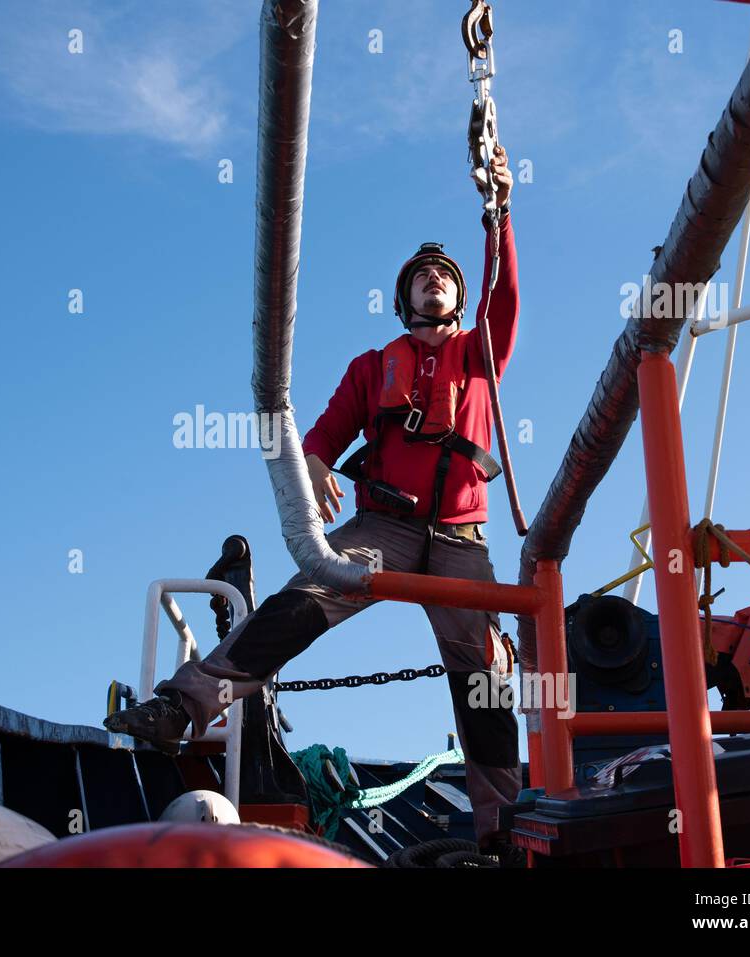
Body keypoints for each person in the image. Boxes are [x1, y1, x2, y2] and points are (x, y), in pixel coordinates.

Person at [107, 146, 521, 845]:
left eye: (442, 277)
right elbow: (321, 437)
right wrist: (317, 468)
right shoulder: (371, 366)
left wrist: (499, 214)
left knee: (482, 681)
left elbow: (503, 291)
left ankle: (504, 834)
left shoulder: (481, 350)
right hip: (382, 527)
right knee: (300, 602)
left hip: (459, 540)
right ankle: (183, 705)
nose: (432, 281)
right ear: (403, 299)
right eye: (421, 276)